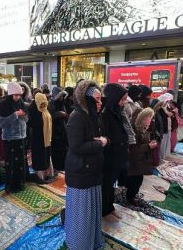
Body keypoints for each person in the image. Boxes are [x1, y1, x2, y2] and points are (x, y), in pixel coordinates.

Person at [65, 79, 106, 250]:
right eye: (96, 99)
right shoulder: (78, 117)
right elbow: (76, 146)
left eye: (100, 99)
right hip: (81, 172)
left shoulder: (90, 115)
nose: (100, 103)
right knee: (81, 214)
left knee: (89, 212)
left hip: (90, 171)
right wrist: (100, 143)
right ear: (86, 99)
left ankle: (90, 241)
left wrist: (98, 141)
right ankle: (80, 244)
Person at [101, 83, 132, 222]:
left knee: (111, 184)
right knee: (106, 185)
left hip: (118, 155)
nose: (124, 102)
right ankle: (104, 210)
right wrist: (120, 139)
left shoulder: (117, 112)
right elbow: (107, 137)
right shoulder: (105, 114)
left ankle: (110, 207)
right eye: (122, 99)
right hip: (109, 157)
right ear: (114, 98)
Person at [0, 82, 28, 193]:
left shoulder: (22, 104)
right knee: (10, 163)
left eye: (19, 95)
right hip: (9, 138)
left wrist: (23, 115)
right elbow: (1, 123)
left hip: (21, 137)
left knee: (20, 162)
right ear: (10, 94)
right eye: (15, 95)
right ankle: (10, 186)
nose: (18, 97)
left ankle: (20, 183)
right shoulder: (3, 105)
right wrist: (15, 115)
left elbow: (27, 120)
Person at [125, 108, 158, 204]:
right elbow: (133, 149)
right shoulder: (134, 131)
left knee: (137, 180)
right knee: (135, 181)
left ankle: (131, 197)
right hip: (134, 162)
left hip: (139, 161)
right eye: (149, 118)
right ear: (143, 118)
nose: (151, 120)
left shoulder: (142, 128)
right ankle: (130, 199)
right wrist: (148, 146)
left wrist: (149, 143)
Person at [28, 93, 53, 182]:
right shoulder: (32, 108)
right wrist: (39, 121)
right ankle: (40, 176)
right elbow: (30, 123)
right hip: (38, 137)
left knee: (46, 154)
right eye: (41, 103)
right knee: (39, 155)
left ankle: (47, 173)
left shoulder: (46, 108)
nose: (42, 104)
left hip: (46, 137)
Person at [48, 87, 68, 172]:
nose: (62, 98)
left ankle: (62, 165)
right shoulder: (51, 103)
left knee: (62, 148)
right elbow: (50, 115)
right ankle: (57, 166)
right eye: (60, 96)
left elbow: (65, 114)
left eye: (63, 96)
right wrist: (59, 114)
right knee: (56, 149)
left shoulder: (61, 103)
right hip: (55, 130)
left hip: (62, 129)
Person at [153, 93, 174, 160]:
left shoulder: (165, 108)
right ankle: (161, 158)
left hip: (165, 129)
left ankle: (163, 157)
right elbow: (160, 121)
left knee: (165, 145)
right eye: (166, 101)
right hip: (162, 131)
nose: (168, 103)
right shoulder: (160, 110)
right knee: (161, 146)